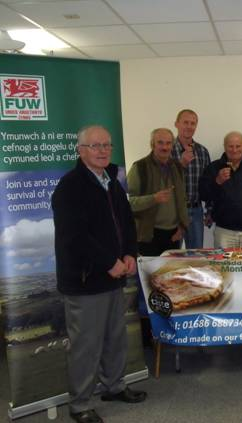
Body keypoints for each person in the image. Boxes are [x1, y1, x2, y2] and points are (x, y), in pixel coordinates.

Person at [52, 125, 146, 423]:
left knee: (114, 337)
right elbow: (75, 236)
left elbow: (127, 223)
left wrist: (130, 253)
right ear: (80, 151)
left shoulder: (112, 182)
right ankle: (79, 405)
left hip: (113, 275)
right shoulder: (70, 187)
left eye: (107, 145)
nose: (103, 150)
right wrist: (109, 261)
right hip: (85, 280)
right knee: (86, 346)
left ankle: (114, 386)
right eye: (96, 146)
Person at [199, 131, 242, 248]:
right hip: (224, 232)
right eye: (230, 146)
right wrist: (217, 181)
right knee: (223, 266)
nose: (234, 150)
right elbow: (203, 195)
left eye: (238, 146)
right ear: (224, 146)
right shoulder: (214, 167)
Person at [127, 128, 190, 256]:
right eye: (160, 143)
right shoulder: (140, 167)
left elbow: (182, 199)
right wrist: (153, 198)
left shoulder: (177, 167)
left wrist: (183, 225)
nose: (165, 147)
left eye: (168, 143)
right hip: (148, 234)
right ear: (152, 144)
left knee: (169, 274)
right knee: (150, 275)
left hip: (173, 234)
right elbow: (127, 202)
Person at [172, 109, 211, 248]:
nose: (189, 126)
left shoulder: (202, 151)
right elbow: (162, 181)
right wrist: (180, 164)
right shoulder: (166, 150)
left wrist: (210, 210)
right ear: (177, 124)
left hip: (195, 211)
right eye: (185, 122)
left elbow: (208, 184)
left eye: (193, 123)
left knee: (196, 256)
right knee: (171, 256)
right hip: (172, 212)